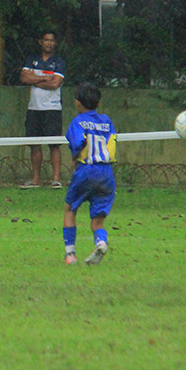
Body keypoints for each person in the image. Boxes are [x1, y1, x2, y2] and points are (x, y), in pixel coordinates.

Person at [61, 82, 116, 266]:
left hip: (87, 170)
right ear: (99, 103)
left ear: (77, 103)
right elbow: (112, 143)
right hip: (107, 173)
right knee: (97, 221)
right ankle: (101, 242)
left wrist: (74, 158)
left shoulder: (78, 122)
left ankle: (70, 255)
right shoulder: (107, 121)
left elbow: (78, 143)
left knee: (70, 209)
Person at [20, 31, 66, 189]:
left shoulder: (58, 62)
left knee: (54, 145)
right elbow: (24, 78)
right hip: (34, 108)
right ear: (40, 41)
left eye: (52, 40)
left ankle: (56, 179)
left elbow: (55, 84)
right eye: (46, 40)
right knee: (34, 144)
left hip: (52, 109)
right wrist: (44, 78)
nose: (49, 43)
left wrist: (35, 80)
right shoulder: (32, 59)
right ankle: (36, 180)